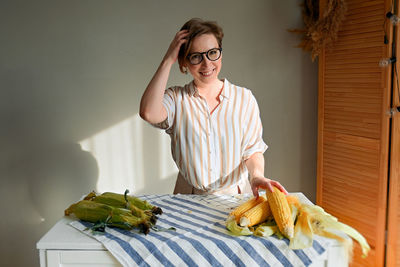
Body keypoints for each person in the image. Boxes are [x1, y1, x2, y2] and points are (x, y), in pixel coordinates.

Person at [140, 18, 287, 197]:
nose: (207, 63)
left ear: (221, 53)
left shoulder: (244, 98)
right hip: (189, 196)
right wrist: (167, 60)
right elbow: (148, 112)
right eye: (196, 56)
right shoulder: (176, 99)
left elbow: (252, 149)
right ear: (183, 63)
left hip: (235, 196)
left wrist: (256, 176)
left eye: (212, 52)